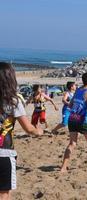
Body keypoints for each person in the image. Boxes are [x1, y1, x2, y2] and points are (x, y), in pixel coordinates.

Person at [0, 62, 43, 200]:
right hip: (4, 151)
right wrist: (38, 131)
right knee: (4, 193)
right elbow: (28, 128)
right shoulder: (14, 100)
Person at [60, 72, 87, 172]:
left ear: (82, 80)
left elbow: (70, 104)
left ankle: (63, 167)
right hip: (82, 119)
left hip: (72, 118)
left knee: (72, 143)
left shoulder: (78, 90)